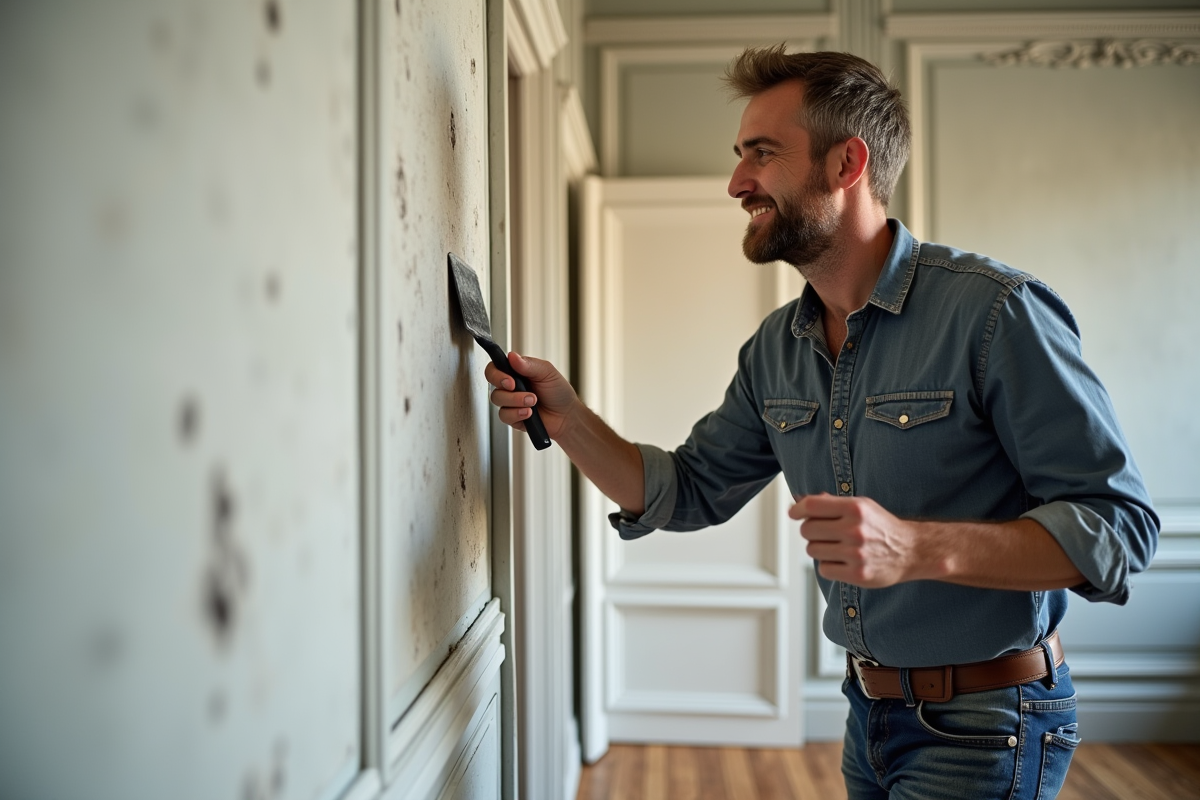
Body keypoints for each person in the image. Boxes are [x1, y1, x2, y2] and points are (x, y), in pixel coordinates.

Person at [485, 46, 1159, 799]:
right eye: (741, 157)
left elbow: (1120, 527)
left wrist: (913, 546)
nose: (738, 183)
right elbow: (688, 488)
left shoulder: (995, 313)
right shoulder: (776, 347)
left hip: (989, 721)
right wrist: (569, 417)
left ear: (848, 163)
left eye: (762, 155)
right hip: (865, 713)